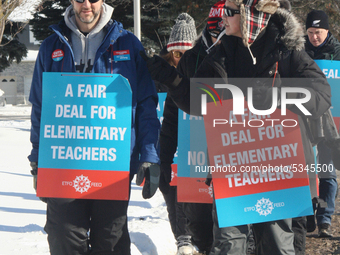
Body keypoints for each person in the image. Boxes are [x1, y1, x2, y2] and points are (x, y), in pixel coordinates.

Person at [141, 0, 332, 254]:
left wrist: (273, 97)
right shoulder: (222, 51)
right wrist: (171, 78)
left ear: (249, 14)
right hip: (233, 165)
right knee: (229, 245)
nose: (223, 19)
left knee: (276, 245)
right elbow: (201, 101)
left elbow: (321, 94)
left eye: (229, 12)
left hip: (278, 168)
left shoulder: (285, 49)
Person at [28, 0, 160, 254]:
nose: (86, 5)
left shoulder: (128, 44)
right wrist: (37, 160)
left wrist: (150, 155)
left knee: (110, 242)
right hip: (63, 162)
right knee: (63, 237)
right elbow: (40, 107)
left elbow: (145, 103)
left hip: (111, 162)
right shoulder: (50, 46)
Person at [160, 2, 226, 254]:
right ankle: (189, 240)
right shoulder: (178, 72)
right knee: (192, 218)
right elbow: (170, 118)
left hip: (227, 155)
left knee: (225, 229)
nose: (179, 59)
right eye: (176, 53)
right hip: (188, 160)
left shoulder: (231, 58)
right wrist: (160, 158)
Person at [156, 13, 198, 255]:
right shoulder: (160, 74)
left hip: (199, 149)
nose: (181, 59)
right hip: (172, 146)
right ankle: (182, 238)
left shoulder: (205, 73)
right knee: (173, 190)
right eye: (177, 53)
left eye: (187, 53)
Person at [305, 9, 340, 238]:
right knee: (306, 167)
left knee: (327, 168)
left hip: (331, 119)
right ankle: (306, 213)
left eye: (318, 32)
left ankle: (325, 219)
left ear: (327, 31)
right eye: (310, 32)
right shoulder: (299, 50)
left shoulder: (337, 53)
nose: (314, 37)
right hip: (305, 117)